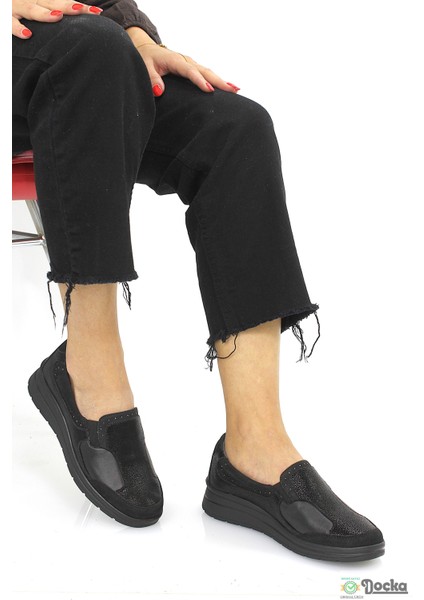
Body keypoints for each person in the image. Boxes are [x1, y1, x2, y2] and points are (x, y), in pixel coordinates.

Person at [12, 0, 385, 562]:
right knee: (91, 48)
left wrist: (133, 31)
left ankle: (254, 450)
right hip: (46, 56)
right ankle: (87, 367)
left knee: (235, 128)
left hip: (76, 55)